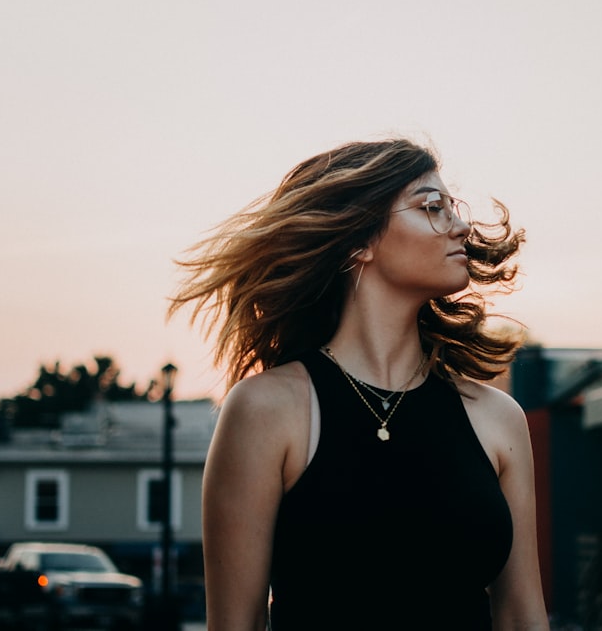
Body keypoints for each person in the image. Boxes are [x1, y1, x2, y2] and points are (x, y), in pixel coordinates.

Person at [170, 138, 549, 630]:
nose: (460, 226)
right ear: (359, 242)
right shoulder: (268, 410)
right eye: (432, 207)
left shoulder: (498, 418)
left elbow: (523, 618)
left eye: (452, 208)